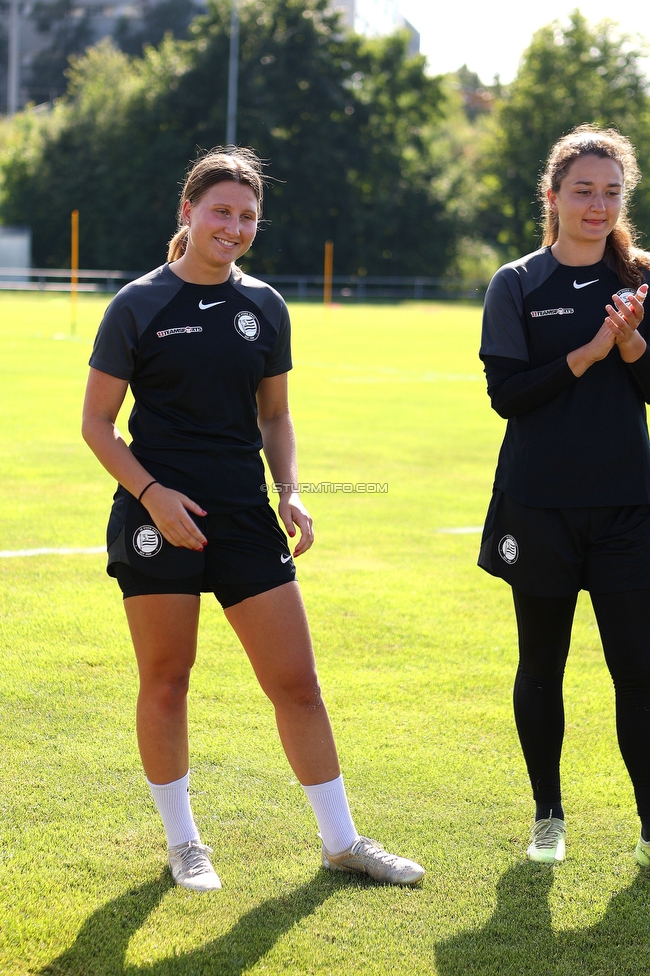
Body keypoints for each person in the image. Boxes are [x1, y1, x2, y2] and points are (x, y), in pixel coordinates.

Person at [82, 147, 424, 891]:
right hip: (157, 516)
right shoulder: (136, 305)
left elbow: (276, 415)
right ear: (188, 211)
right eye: (220, 211)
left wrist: (291, 489)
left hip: (242, 517)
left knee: (297, 683)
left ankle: (342, 843)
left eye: (247, 216)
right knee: (168, 679)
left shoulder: (265, 306)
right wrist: (153, 496)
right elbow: (99, 426)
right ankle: (185, 845)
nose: (233, 227)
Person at [478, 125, 650, 866]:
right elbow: (507, 396)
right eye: (583, 190)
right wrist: (589, 353)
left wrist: (635, 343)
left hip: (628, 510)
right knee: (541, 664)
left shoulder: (643, 277)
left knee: (640, 670)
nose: (597, 204)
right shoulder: (516, 283)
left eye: (612, 192)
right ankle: (548, 814)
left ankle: (649, 824)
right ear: (553, 196)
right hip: (538, 506)